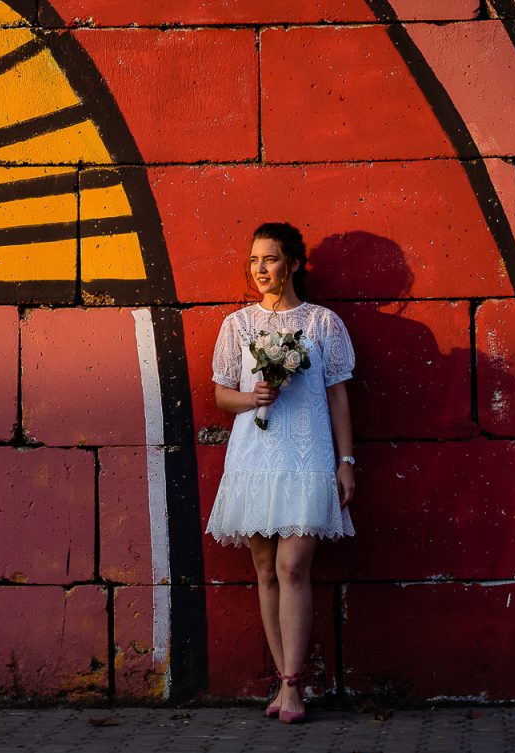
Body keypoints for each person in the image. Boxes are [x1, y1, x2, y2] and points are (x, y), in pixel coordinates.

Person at [204, 221, 357, 724]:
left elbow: (337, 395)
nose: (260, 269)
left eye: (269, 259)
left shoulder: (321, 324)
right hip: (254, 460)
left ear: (293, 263)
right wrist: (254, 397)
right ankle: (283, 680)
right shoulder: (238, 326)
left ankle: (293, 687)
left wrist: (346, 460)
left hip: (307, 457)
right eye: (253, 261)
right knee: (266, 570)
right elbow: (222, 394)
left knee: (294, 567)